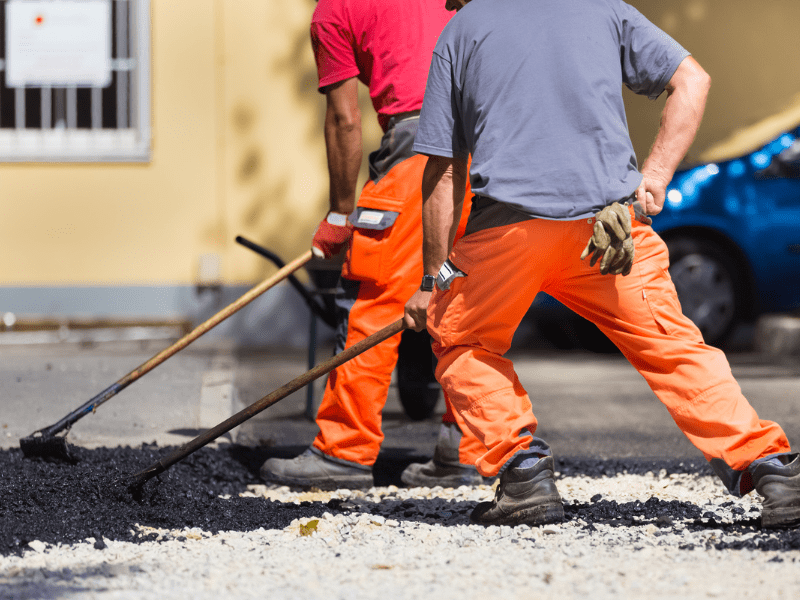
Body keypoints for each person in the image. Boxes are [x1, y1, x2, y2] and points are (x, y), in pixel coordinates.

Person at [404, 0, 800, 528]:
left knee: (462, 341)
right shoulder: (602, 8)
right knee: (674, 349)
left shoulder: (461, 31)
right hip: (611, 232)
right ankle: (770, 466)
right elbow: (694, 80)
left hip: (507, 233)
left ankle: (522, 474)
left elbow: (443, 173)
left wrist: (433, 283)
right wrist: (655, 177)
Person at [260, 0, 487, 490]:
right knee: (461, 296)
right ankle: (464, 447)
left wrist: (341, 215)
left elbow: (344, 120)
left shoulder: (334, 11)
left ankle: (343, 451)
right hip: (490, 143)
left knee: (375, 300)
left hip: (420, 147)